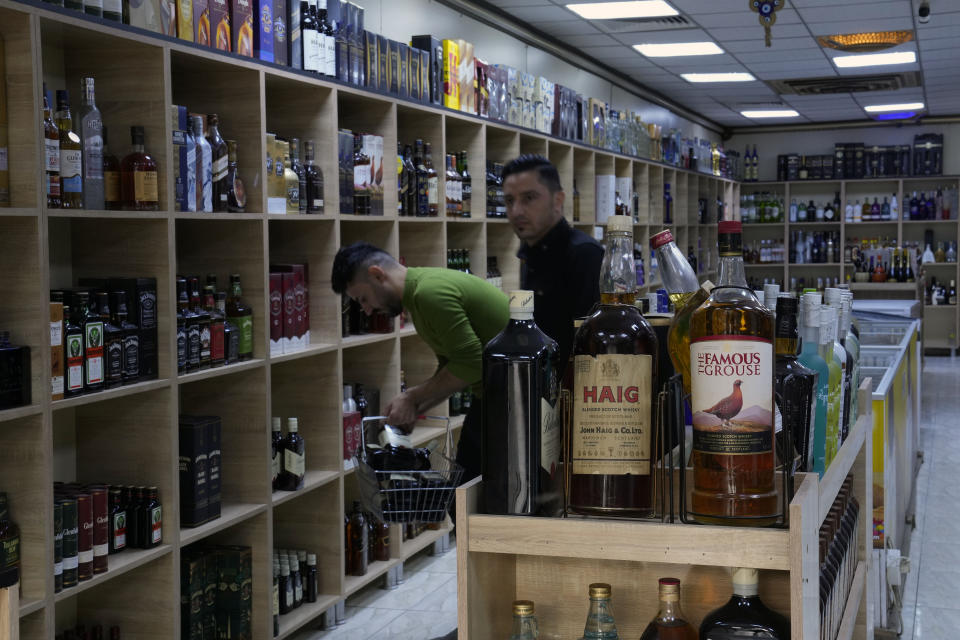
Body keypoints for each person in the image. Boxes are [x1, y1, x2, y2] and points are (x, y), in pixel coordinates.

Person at [331, 242, 509, 484]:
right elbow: (454, 368)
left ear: (377, 274)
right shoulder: (419, 296)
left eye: (363, 298)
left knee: (466, 498)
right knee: (462, 494)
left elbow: (472, 363)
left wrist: (411, 397)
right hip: (496, 398)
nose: (368, 310)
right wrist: (416, 408)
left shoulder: (429, 294)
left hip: (512, 404)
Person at [503, 154, 603, 368]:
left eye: (529, 198)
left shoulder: (584, 253)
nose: (516, 211)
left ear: (557, 201)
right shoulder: (529, 252)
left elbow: (590, 345)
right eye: (510, 201)